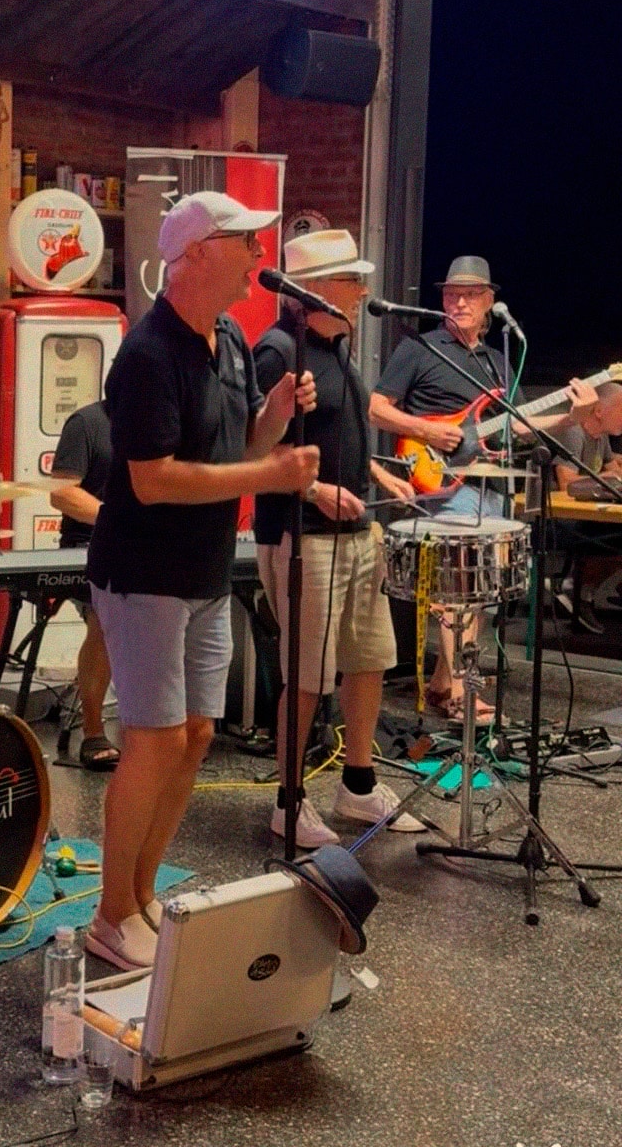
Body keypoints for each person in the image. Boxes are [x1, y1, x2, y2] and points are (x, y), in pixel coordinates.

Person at [84, 191, 320, 970]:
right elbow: (151, 480)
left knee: (194, 736)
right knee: (152, 743)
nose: (260, 254)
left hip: (204, 571)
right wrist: (269, 473)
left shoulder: (231, 338)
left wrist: (274, 415)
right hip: (144, 573)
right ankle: (111, 914)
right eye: (246, 241)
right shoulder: (148, 355)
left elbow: (239, 443)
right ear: (196, 255)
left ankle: (142, 894)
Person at [253, 230, 425, 848]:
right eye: (351, 280)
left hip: (355, 532)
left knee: (370, 658)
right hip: (304, 534)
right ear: (313, 290)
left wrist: (375, 471)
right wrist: (316, 491)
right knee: (307, 674)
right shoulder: (278, 350)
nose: (360, 291)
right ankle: (288, 800)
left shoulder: (338, 350)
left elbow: (336, 432)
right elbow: (255, 449)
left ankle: (357, 784)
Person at [369, 255, 594, 716]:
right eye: (452, 294)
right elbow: (375, 407)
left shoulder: (496, 362)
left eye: (470, 294)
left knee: (478, 593)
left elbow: (518, 424)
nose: (459, 302)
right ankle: (461, 693)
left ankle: (440, 684)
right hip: (441, 478)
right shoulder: (420, 348)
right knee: (459, 591)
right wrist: (427, 431)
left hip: (489, 483)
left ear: (490, 301)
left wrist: (571, 418)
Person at [49, 399, 117, 770]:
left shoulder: (166, 422)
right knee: (105, 619)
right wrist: (118, 521)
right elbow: (62, 493)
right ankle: (93, 731)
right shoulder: (87, 423)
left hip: (151, 542)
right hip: (91, 541)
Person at [554, 381, 622, 490]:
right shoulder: (573, 432)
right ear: (599, 411)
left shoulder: (601, 435)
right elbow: (566, 484)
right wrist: (605, 478)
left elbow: (615, 472)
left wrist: (615, 474)